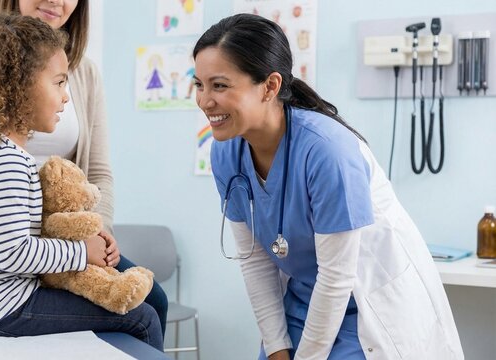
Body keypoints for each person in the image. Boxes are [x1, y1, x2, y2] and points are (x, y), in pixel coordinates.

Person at [193, 14, 463, 360]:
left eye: (219, 85)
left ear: (270, 86)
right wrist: (276, 347)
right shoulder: (226, 152)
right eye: (199, 84)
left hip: (365, 307)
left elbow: (337, 278)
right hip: (302, 302)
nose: (204, 101)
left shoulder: (327, 151)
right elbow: (256, 262)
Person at [0, 0, 168, 337]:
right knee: (141, 317)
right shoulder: (6, 162)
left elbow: (99, 172)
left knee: (152, 300)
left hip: (29, 260)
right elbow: (13, 252)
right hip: (1, 294)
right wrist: (78, 251)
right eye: (58, 84)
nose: (65, 98)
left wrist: (90, 230)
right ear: (15, 87)